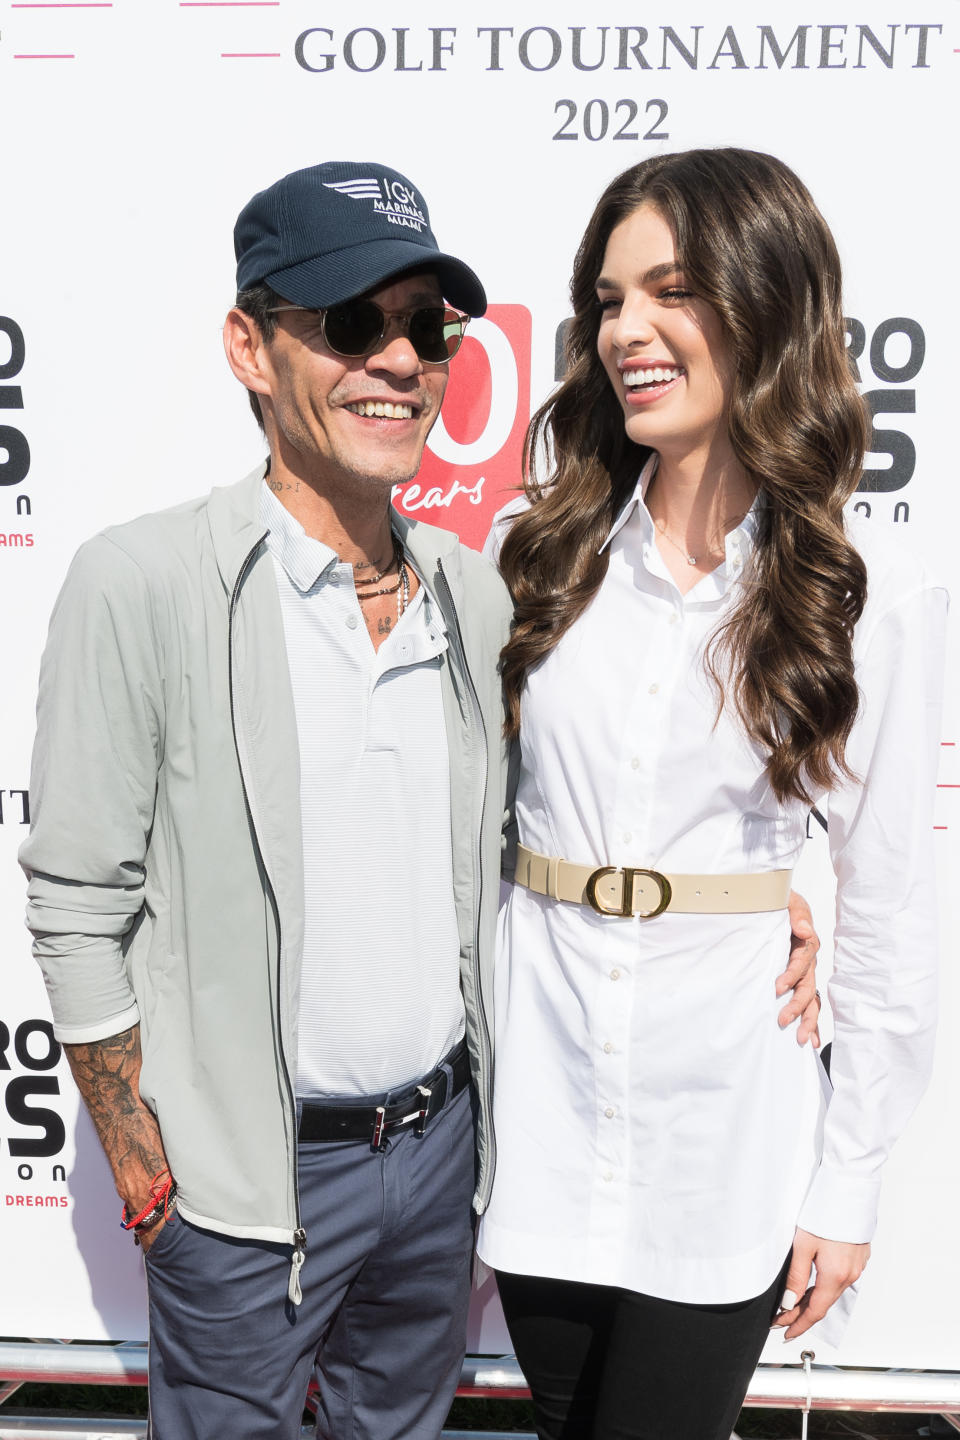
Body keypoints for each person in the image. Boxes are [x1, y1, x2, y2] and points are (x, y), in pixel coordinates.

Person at [19, 157, 818, 1440]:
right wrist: (138, 1154)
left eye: (425, 327)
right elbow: (75, 889)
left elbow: (581, 808)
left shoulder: (483, 590)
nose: (396, 359)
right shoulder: (142, 582)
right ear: (249, 345)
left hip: (443, 1167)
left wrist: (784, 895)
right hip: (244, 1186)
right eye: (347, 323)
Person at [478, 148, 946, 1440]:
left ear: (764, 300)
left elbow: (895, 910)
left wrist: (847, 1183)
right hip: (547, 1123)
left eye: (670, 290)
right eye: (610, 297)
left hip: (724, 1143)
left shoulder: (861, 595)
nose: (626, 328)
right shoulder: (545, 555)